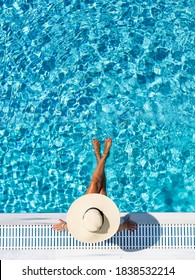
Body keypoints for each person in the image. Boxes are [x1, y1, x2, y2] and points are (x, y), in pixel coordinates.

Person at [53, 138, 137, 243]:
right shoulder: (104, 227)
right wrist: (125, 226)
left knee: (95, 182)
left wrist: (64, 226)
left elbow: (72, 227)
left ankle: (100, 156)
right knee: (101, 185)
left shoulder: (88, 225)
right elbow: (117, 229)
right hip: (97, 212)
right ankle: (103, 155)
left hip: (88, 209)